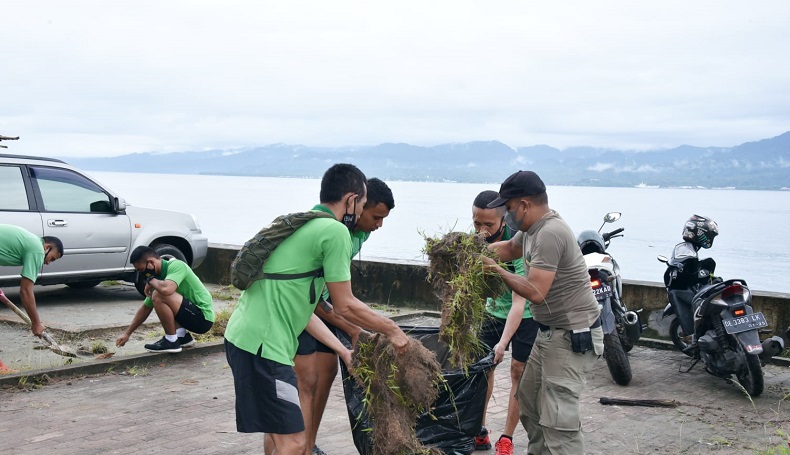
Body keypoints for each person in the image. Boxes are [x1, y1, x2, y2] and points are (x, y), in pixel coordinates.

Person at [224, 164, 410, 455]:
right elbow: (344, 304)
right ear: (350, 199)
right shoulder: (334, 231)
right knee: (295, 443)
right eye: (362, 204)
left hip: (250, 341)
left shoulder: (307, 223)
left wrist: (345, 347)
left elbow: (307, 311)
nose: (361, 213)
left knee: (281, 438)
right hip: (263, 348)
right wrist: (393, 330)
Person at [482, 170, 602, 455]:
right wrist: (473, 251)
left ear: (524, 204)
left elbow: (535, 292)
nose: (507, 215)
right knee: (530, 399)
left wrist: (496, 271)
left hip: (573, 336)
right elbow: (510, 248)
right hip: (549, 333)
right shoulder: (531, 230)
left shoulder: (550, 233)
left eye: (509, 208)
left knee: (559, 419)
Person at [294, 177, 395, 455]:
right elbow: (315, 300)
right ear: (358, 206)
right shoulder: (331, 231)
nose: (379, 225)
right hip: (306, 309)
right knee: (305, 382)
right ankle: (295, 446)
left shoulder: (361, 231)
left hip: (325, 305)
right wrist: (356, 329)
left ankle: (309, 444)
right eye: (375, 216)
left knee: (326, 374)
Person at [471, 191, 538, 455]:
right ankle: (479, 430)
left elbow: (519, 303)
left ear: (503, 219)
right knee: (482, 370)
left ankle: (506, 438)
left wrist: (502, 343)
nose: (481, 231)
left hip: (525, 316)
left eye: (488, 225)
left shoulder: (516, 243)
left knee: (517, 373)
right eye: (477, 223)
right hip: (494, 312)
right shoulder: (475, 239)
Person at [116, 246, 215, 353]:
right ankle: (182, 336)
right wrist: (127, 334)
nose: (142, 274)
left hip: (203, 318)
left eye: (141, 270)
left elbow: (167, 289)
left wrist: (150, 280)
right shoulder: (159, 280)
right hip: (190, 315)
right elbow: (145, 308)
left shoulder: (177, 265)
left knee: (158, 294)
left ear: (151, 262)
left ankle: (171, 341)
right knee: (157, 294)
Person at [0, 224, 63, 373]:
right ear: (47, 247)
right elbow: (26, 291)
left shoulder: (28, 241)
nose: (47, 263)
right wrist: (36, 323)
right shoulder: (37, 249)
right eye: (52, 258)